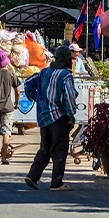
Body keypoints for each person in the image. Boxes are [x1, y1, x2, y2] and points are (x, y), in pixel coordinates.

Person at [24, 45, 78, 192]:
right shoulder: (66, 76)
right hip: (59, 117)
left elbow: (28, 84)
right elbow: (69, 97)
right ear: (67, 60)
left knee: (44, 149)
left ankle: (33, 176)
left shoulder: (43, 72)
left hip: (43, 117)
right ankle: (56, 183)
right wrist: (71, 115)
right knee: (60, 150)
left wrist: (38, 99)